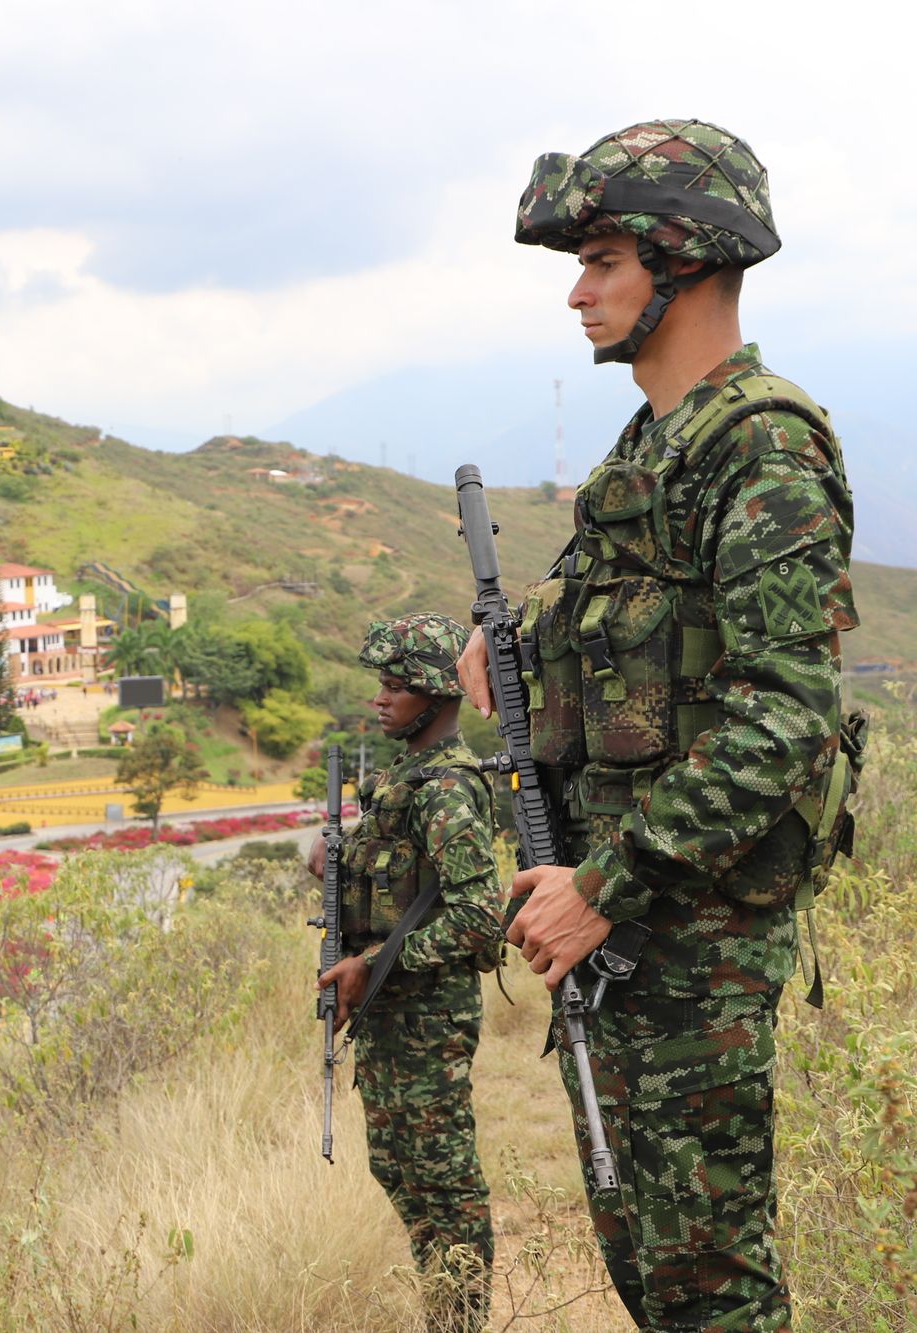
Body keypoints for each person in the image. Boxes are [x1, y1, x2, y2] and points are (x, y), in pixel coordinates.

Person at [460, 119, 859, 1330]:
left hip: (689, 931)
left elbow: (782, 713)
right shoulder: (654, 444)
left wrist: (602, 882)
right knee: (647, 1267)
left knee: (707, 1287)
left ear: (681, 262)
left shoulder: (758, 442)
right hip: (634, 929)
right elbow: (639, 620)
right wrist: (519, 629)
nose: (576, 293)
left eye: (600, 261)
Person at [313, 614, 504, 1331]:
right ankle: (445, 1312)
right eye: (380, 685)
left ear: (434, 695)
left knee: (443, 1187)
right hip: (392, 1017)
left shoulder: (447, 788)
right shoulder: (404, 778)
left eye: (396, 687)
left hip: (427, 1018)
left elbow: (479, 918)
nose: (380, 699)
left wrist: (374, 963)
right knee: (400, 1172)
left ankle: (458, 1320)